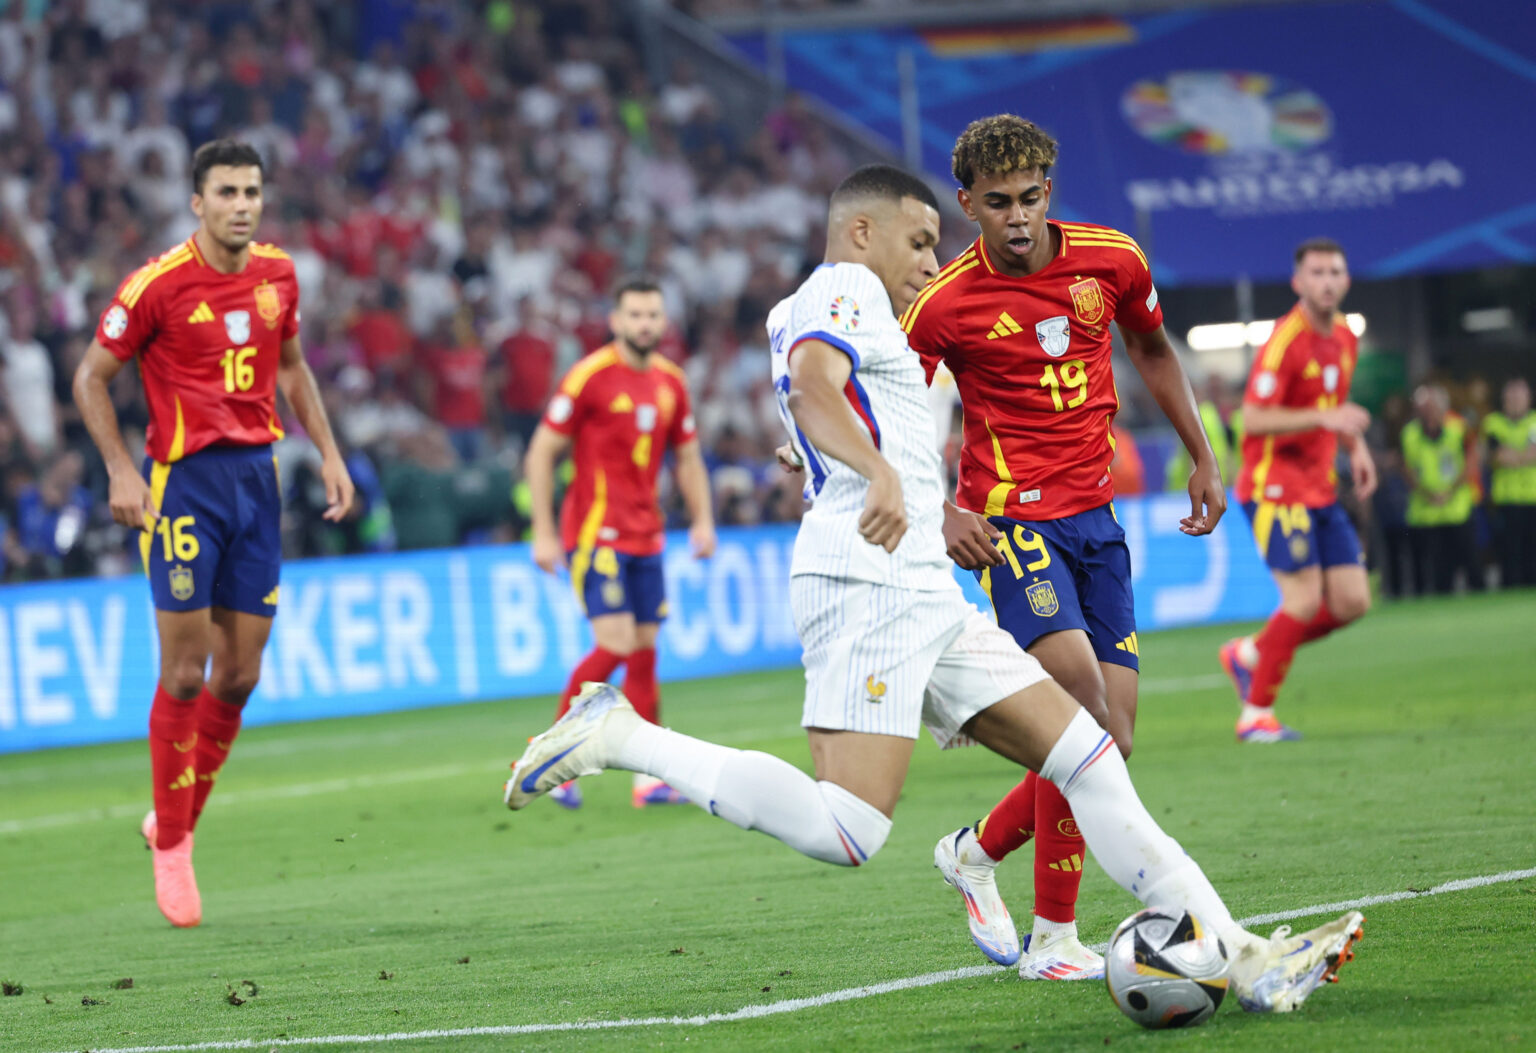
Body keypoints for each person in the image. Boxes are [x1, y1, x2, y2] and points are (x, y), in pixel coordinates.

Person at [503, 164, 1364, 1015]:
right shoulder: (843, 285)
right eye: (917, 241)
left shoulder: (845, 307)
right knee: (850, 827)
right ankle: (621, 734)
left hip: (922, 583)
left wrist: (837, 449)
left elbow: (828, 394)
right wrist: (873, 468)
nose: (930, 259)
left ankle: (1243, 953)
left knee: (1091, 754)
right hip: (866, 575)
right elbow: (812, 384)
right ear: (861, 232)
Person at [898, 115, 1225, 979]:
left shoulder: (1112, 260)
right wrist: (939, 509)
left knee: (1110, 738)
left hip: (1097, 523)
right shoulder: (943, 305)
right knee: (1080, 707)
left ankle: (976, 850)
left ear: (1049, 190)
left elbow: (1151, 347)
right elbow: (896, 414)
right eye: (997, 202)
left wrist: (1201, 453)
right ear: (967, 205)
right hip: (1013, 525)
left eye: (1029, 197)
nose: (1016, 216)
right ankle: (1054, 937)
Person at [72, 139, 355, 928]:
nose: (241, 205)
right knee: (186, 671)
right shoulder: (156, 285)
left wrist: (329, 452)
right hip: (184, 488)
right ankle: (175, 845)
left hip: (257, 482)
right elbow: (90, 376)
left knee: (240, 675)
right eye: (226, 191)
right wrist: (121, 470)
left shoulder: (278, 275)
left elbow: (291, 367)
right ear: (197, 201)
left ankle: (174, 818)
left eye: (252, 191)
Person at [523, 277, 716, 810]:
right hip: (596, 534)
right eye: (635, 315)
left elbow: (688, 457)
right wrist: (543, 531)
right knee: (616, 644)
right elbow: (541, 452)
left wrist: (703, 520)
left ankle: (650, 779)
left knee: (645, 651)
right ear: (615, 321)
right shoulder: (589, 377)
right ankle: (552, 759)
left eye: (652, 315)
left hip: (647, 534)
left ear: (663, 321)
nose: (644, 324)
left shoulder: (671, 382)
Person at [1220, 239, 1377, 740]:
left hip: (1320, 487)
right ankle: (1255, 717)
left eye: (1335, 272)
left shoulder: (1346, 337)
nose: (1327, 281)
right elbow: (1253, 418)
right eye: (1317, 273)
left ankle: (1250, 653)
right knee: (1303, 600)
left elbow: (1335, 405)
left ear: (1346, 280)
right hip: (1274, 488)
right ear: (1298, 282)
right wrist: (1322, 418)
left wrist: (1355, 446)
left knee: (1352, 601)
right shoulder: (1285, 341)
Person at [1400, 384, 1482, 595]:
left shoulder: (1459, 428)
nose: (1428, 413)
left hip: (1457, 509)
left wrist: (1450, 491)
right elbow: (1407, 468)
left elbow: (1471, 461)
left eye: (1432, 407)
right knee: (1439, 574)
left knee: (1472, 566)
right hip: (1426, 512)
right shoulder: (1409, 434)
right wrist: (1428, 493)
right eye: (1424, 408)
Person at [1480, 378, 1536, 587]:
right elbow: (1496, 456)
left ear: (1529, 398)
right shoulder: (1493, 423)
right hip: (1506, 499)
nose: (1515, 401)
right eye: (1511, 397)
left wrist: (1512, 454)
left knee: (1532, 554)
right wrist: (1525, 454)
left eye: (1519, 396)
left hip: (1533, 497)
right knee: (1509, 554)